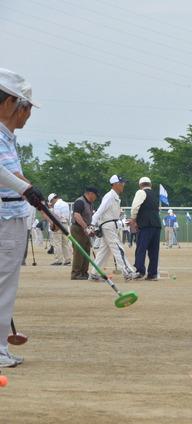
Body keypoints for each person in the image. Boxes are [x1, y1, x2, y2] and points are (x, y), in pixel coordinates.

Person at [0, 68, 46, 368]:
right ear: (9, 104)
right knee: (4, 285)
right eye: (26, 107)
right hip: (4, 221)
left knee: (6, 285)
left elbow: (10, 172)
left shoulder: (7, 138)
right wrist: (25, 188)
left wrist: (28, 190)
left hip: (13, 216)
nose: (27, 114)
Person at [89, 175, 138, 281]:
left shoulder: (115, 196)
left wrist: (124, 222)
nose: (123, 185)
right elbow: (99, 211)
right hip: (108, 227)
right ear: (115, 184)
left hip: (110, 226)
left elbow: (112, 217)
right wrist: (92, 225)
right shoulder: (110, 196)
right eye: (122, 183)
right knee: (118, 248)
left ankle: (94, 273)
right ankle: (127, 271)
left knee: (104, 251)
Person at [129, 177, 162, 281]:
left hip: (145, 225)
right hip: (156, 225)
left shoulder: (140, 192)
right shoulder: (155, 195)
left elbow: (135, 207)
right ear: (150, 184)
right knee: (154, 251)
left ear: (140, 185)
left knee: (141, 249)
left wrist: (133, 219)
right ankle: (152, 274)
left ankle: (140, 271)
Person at [70, 187, 98, 280]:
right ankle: (76, 274)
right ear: (90, 193)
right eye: (95, 195)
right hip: (78, 229)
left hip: (86, 230)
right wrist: (86, 228)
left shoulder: (90, 203)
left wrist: (91, 229)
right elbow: (76, 215)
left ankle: (84, 273)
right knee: (79, 251)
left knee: (86, 251)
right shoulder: (80, 201)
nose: (96, 198)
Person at [47, 193, 72, 266]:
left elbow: (56, 217)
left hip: (58, 224)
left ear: (53, 199)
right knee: (65, 243)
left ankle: (58, 260)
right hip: (65, 224)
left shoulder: (57, 205)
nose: (51, 203)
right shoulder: (65, 204)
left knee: (57, 243)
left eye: (51, 201)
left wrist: (53, 226)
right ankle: (67, 260)